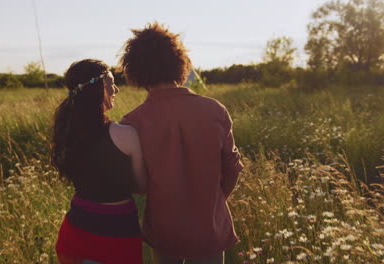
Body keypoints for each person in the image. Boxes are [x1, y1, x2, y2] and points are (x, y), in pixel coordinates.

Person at [119, 23, 243, 264]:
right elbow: (233, 169)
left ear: (135, 69)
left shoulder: (133, 122)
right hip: (209, 227)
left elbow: (138, 184)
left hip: (165, 230)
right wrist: (212, 201)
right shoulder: (215, 110)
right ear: (179, 62)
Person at [51, 59, 146, 264]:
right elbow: (141, 185)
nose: (116, 90)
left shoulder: (68, 132)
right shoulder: (126, 135)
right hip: (117, 235)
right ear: (99, 88)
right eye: (112, 83)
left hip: (75, 233)